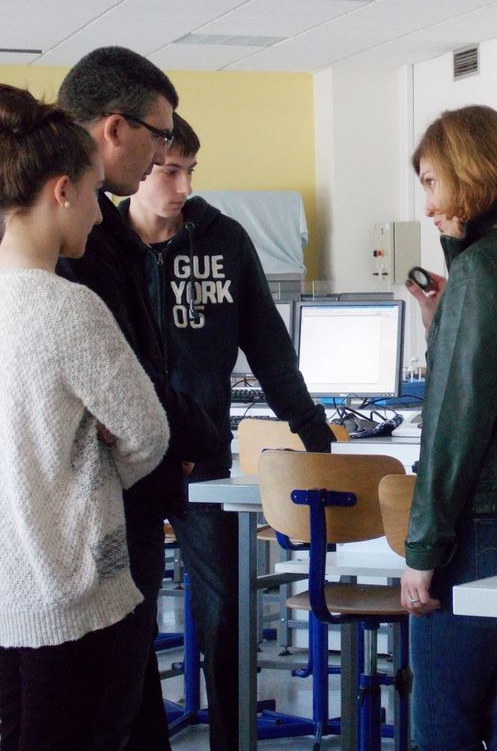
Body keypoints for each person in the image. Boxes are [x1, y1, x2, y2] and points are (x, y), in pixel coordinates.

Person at [121, 112, 336, 751]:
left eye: (189, 171)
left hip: (204, 462)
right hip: (130, 465)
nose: (182, 185)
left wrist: (314, 434)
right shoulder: (103, 245)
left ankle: (231, 739)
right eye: (167, 171)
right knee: (126, 619)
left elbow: (270, 351)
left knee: (227, 614)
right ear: (138, 171)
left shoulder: (226, 241)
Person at [56, 48, 219, 751]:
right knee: (103, 704)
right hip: (99, 515)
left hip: (119, 504)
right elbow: (128, 388)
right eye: (159, 138)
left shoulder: (104, 228)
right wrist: (192, 438)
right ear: (115, 129)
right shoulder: (75, 242)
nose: (161, 157)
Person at [0, 84, 170, 751]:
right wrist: (93, 465)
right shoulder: (68, 308)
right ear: (63, 191)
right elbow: (148, 433)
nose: (103, 218)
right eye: (98, 195)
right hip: (81, 599)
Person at [401, 104, 497, 751]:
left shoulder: (483, 269)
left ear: (471, 173)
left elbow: (453, 425)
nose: (429, 204)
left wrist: (423, 550)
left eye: (433, 182)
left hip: (483, 527)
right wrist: (444, 319)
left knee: (443, 721)